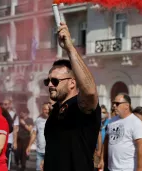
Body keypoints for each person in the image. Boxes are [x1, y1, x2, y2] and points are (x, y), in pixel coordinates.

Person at [43, 22, 101, 171]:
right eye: (48, 81)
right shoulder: (55, 110)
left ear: (72, 83)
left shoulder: (80, 106)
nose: (50, 85)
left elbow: (90, 92)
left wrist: (69, 48)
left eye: (55, 81)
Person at [99, 93, 142, 171]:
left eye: (117, 104)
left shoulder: (136, 122)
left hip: (127, 168)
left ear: (127, 105)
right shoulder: (111, 121)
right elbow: (106, 141)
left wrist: (140, 168)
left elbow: (141, 146)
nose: (114, 106)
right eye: (113, 103)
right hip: (111, 168)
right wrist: (102, 160)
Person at [26, 103, 50, 171]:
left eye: (48, 109)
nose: (47, 111)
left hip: (50, 151)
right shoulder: (38, 120)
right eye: (45, 109)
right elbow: (34, 133)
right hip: (39, 151)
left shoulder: (54, 120)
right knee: (38, 169)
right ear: (42, 110)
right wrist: (29, 146)